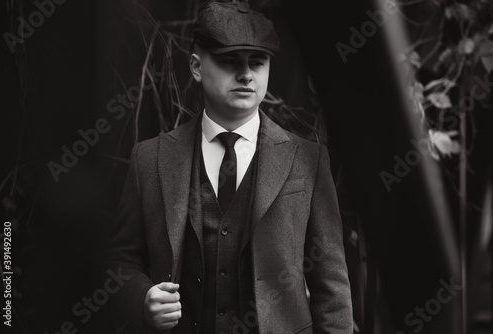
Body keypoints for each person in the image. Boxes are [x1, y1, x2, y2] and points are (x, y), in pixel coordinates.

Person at [106, 1, 353, 333]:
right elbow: (120, 263)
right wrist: (143, 299)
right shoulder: (150, 159)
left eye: (258, 62)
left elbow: (332, 289)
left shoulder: (308, 160)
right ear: (196, 66)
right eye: (229, 61)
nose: (246, 74)